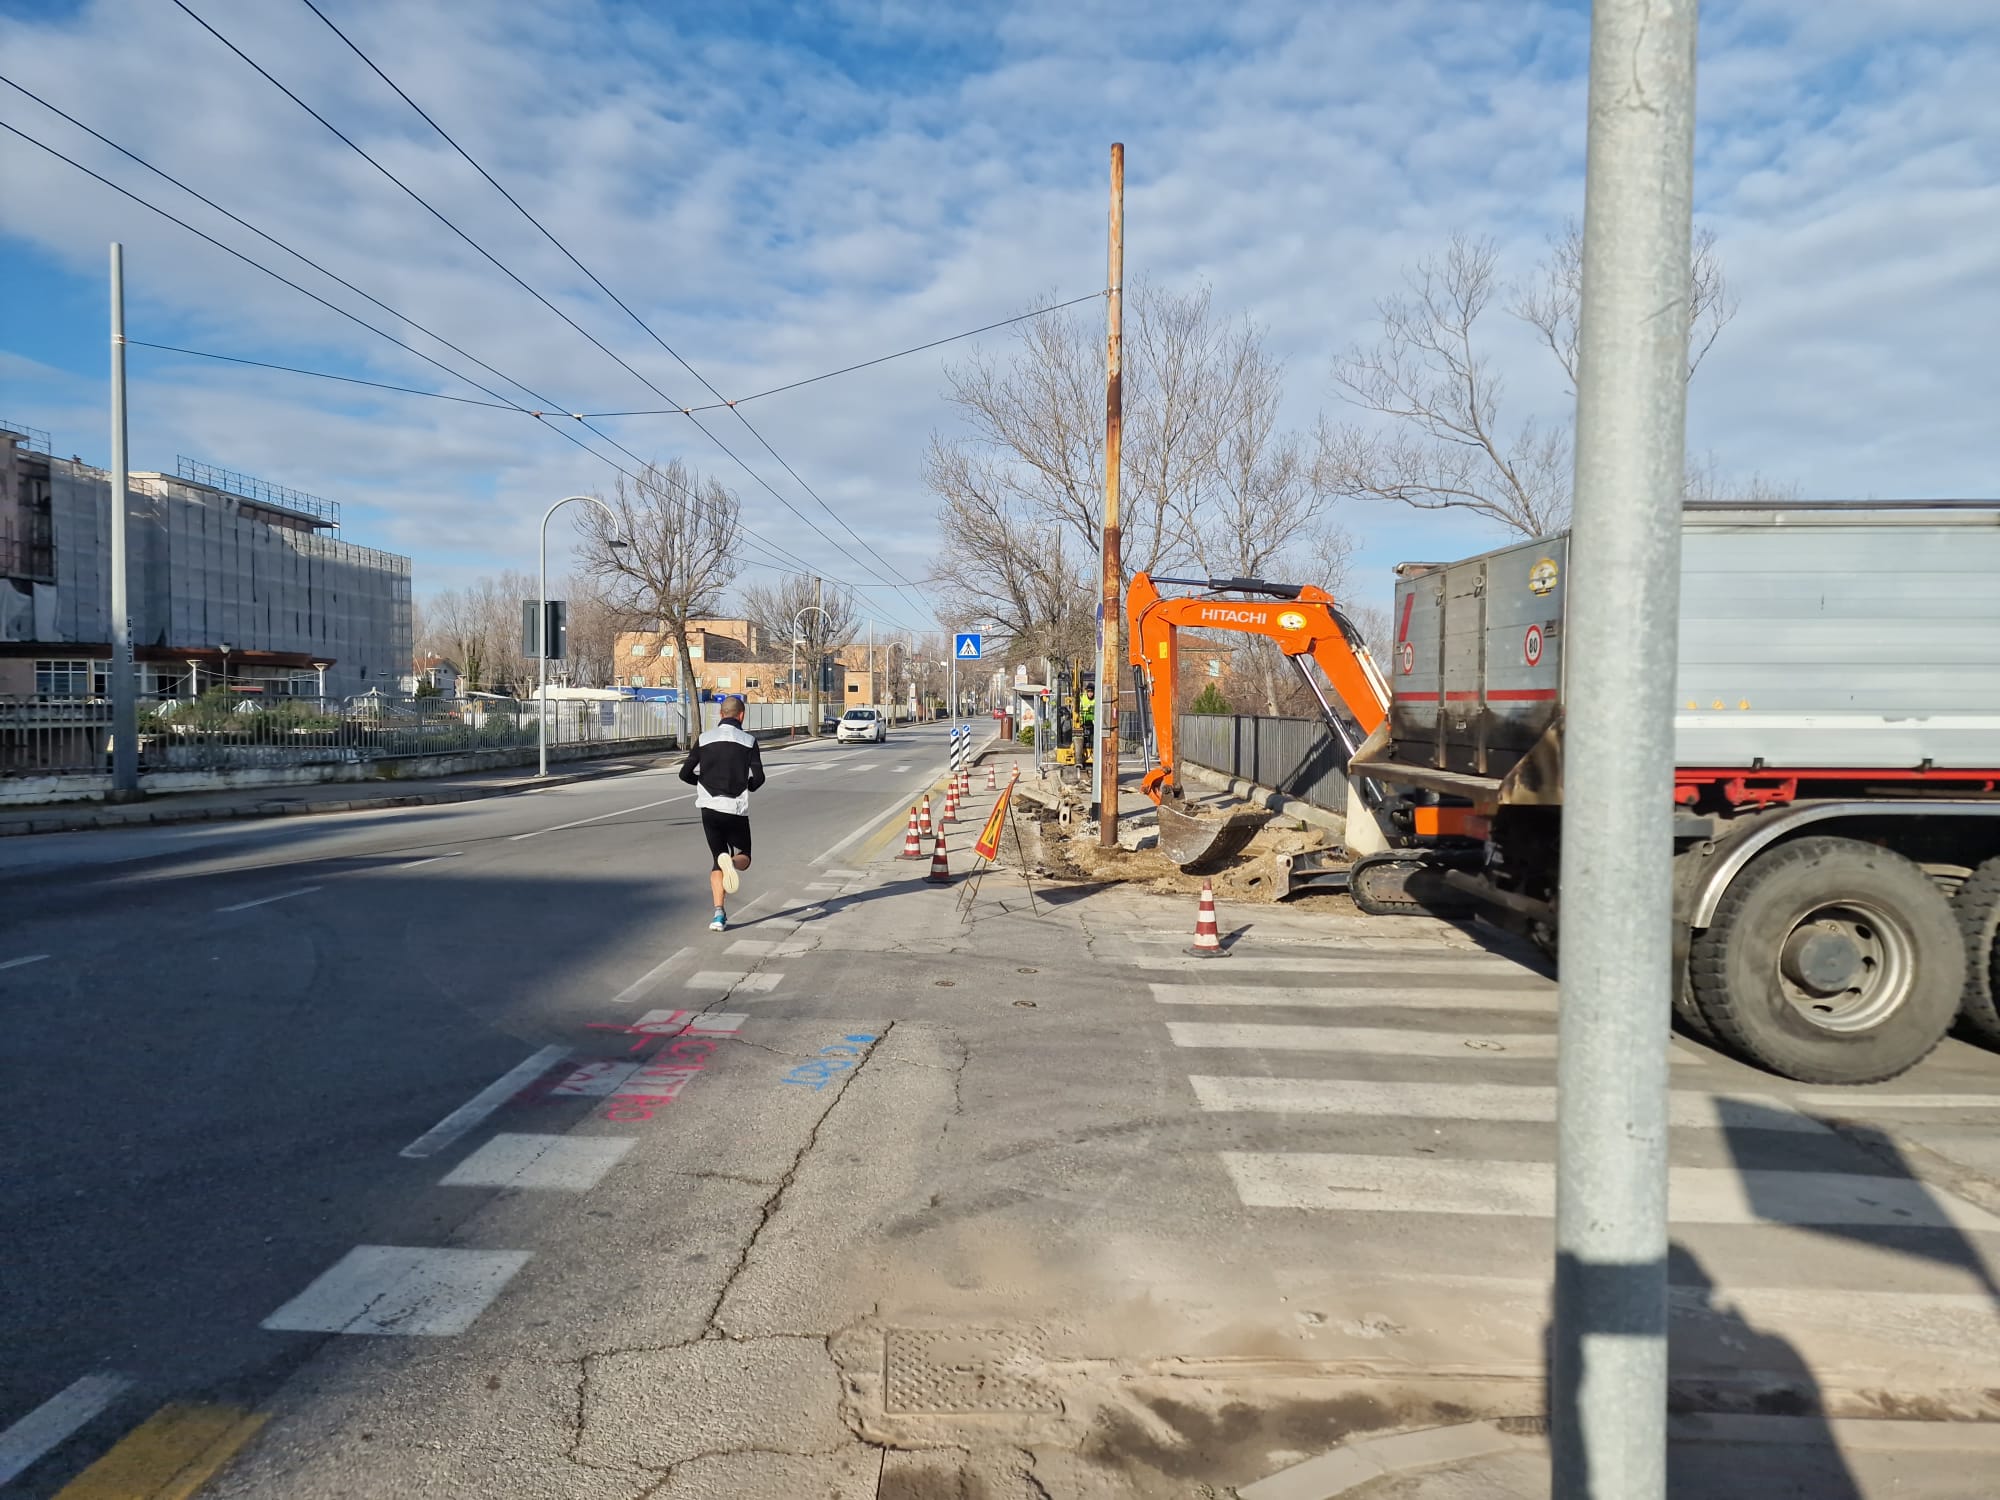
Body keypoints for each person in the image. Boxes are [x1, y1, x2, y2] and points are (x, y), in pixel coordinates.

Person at [678, 695, 766, 931]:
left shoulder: (704, 739)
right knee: (744, 856)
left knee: (717, 860)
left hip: (709, 808)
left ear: (720, 714)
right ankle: (732, 864)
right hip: (735, 807)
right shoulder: (748, 741)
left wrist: (701, 782)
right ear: (742, 715)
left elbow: (684, 774)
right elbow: (759, 778)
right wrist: (748, 785)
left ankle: (718, 914)